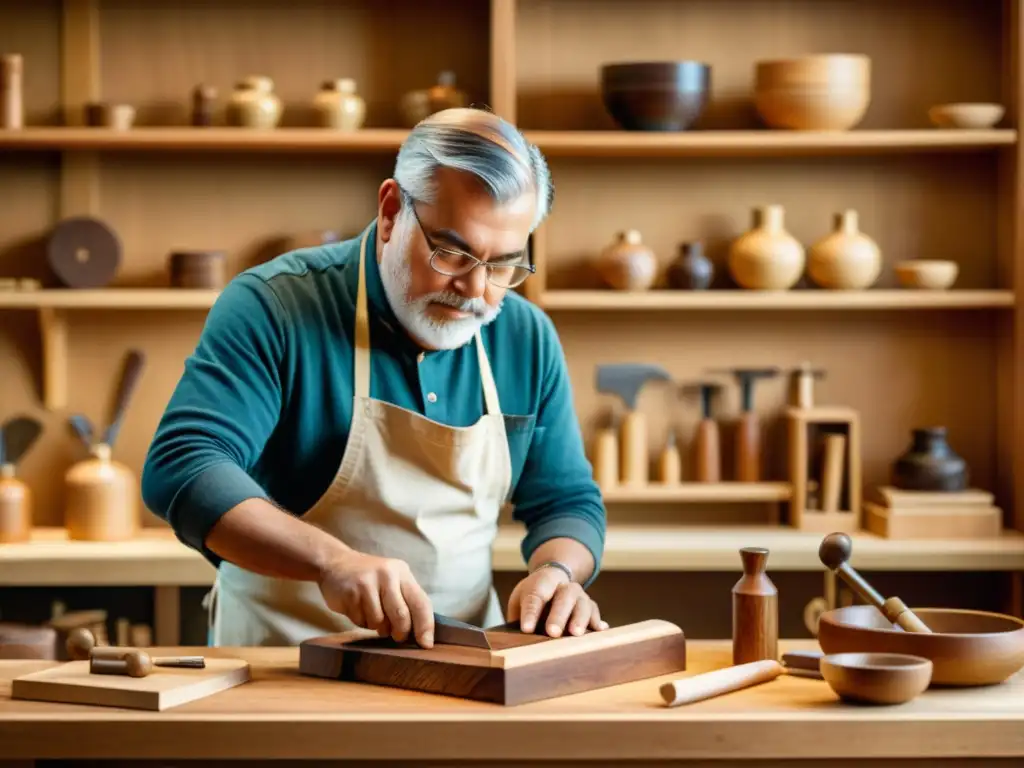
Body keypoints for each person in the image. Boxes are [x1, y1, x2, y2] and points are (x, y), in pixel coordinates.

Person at [141, 107, 608, 648]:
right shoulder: (276, 307)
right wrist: (330, 561)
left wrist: (558, 574)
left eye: (503, 264)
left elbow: (566, 502)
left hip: (458, 668)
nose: (477, 289)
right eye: (451, 253)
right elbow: (183, 465)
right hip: (278, 666)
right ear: (391, 211)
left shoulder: (524, 337)